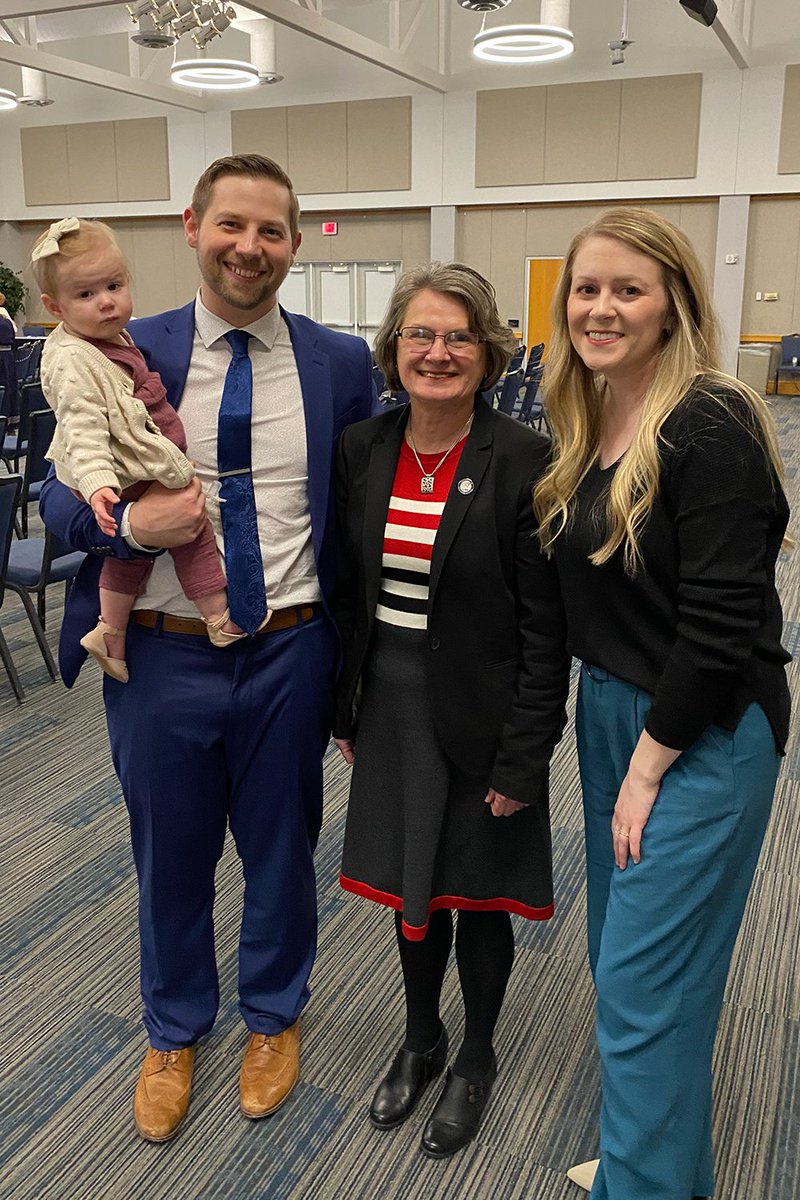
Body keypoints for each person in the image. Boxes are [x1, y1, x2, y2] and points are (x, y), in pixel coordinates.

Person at [39, 154, 375, 1143]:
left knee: (281, 851)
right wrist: (121, 532)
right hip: (157, 649)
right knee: (170, 854)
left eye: (270, 230)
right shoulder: (112, 343)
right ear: (191, 227)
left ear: (294, 242)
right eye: (231, 224)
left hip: (290, 647)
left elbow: (353, 516)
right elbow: (62, 491)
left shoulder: (339, 362)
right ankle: (174, 1028)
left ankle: (272, 1016)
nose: (248, 247)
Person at [533, 208, 791, 1200]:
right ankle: (662, 1165)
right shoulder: (589, 414)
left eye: (626, 289)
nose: (599, 308)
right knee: (631, 964)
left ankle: (636, 1183)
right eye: (585, 288)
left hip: (702, 729)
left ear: (673, 300)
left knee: (641, 984)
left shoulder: (709, 420)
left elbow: (721, 627)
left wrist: (647, 767)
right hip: (615, 714)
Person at [332, 262, 570, 1158]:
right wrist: (345, 707)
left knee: (478, 895)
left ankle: (475, 1054)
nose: (438, 352)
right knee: (412, 888)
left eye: (459, 336)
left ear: (489, 351)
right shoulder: (364, 446)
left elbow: (546, 630)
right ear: (393, 347)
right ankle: (420, 1036)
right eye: (421, 335)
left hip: (485, 710)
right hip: (389, 704)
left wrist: (524, 757)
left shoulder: (522, 458)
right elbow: (351, 593)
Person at [32, 216, 245, 685]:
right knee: (192, 529)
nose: (106, 302)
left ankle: (110, 629)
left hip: (294, 642)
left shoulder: (118, 338)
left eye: (113, 285)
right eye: (86, 295)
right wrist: (103, 492)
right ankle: (217, 612)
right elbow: (79, 433)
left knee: (135, 555)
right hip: (131, 470)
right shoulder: (76, 358)